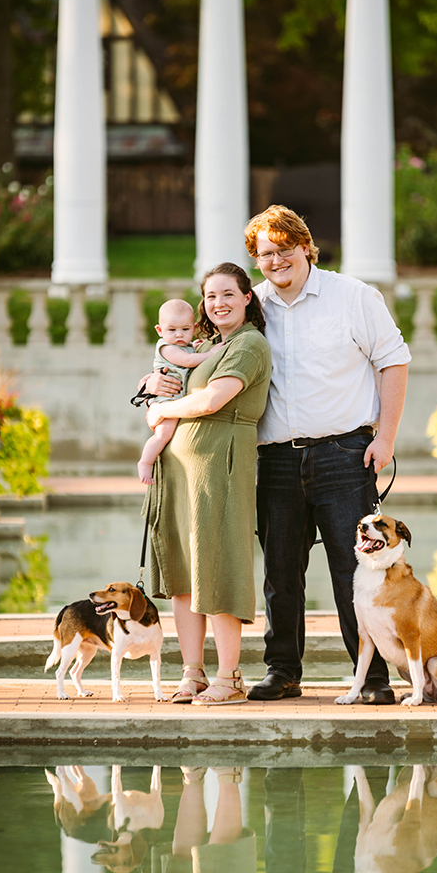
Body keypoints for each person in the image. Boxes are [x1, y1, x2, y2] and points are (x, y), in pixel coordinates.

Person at [244, 205, 411, 703]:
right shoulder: (253, 306)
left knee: (355, 570)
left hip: (344, 455)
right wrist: (157, 377)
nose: (276, 262)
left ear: (305, 246)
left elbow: (394, 361)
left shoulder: (353, 296)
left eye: (283, 250)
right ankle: (283, 672)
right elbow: (204, 354)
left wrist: (387, 437)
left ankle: (374, 680)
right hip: (274, 460)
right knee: (280, 572)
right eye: (264, 255)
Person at [142, 263, 271, 706]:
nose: (218, 303)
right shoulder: (206, 345)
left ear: (247, 298)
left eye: (228, 294)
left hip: (221, 464)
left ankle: (229, 676)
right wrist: (152, 396)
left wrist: (164, 409)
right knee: (184, 574)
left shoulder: (247, 344)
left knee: (218, 566)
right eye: (211, 296)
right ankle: (192, 672)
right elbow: (163, 395)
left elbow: (215, 399)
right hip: (179, 470)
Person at [137, 299, 215, 485]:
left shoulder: (185, 346)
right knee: (163, 435)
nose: (179, 335)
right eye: (172, 330)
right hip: (166, 399)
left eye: (185, 329)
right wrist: (212, 354)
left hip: (175, 399)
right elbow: (188, 361)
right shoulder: (167, 347)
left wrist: (196, 347)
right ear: (160, 331)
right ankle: (145, 462)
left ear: (194, 328)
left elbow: (189, 354)